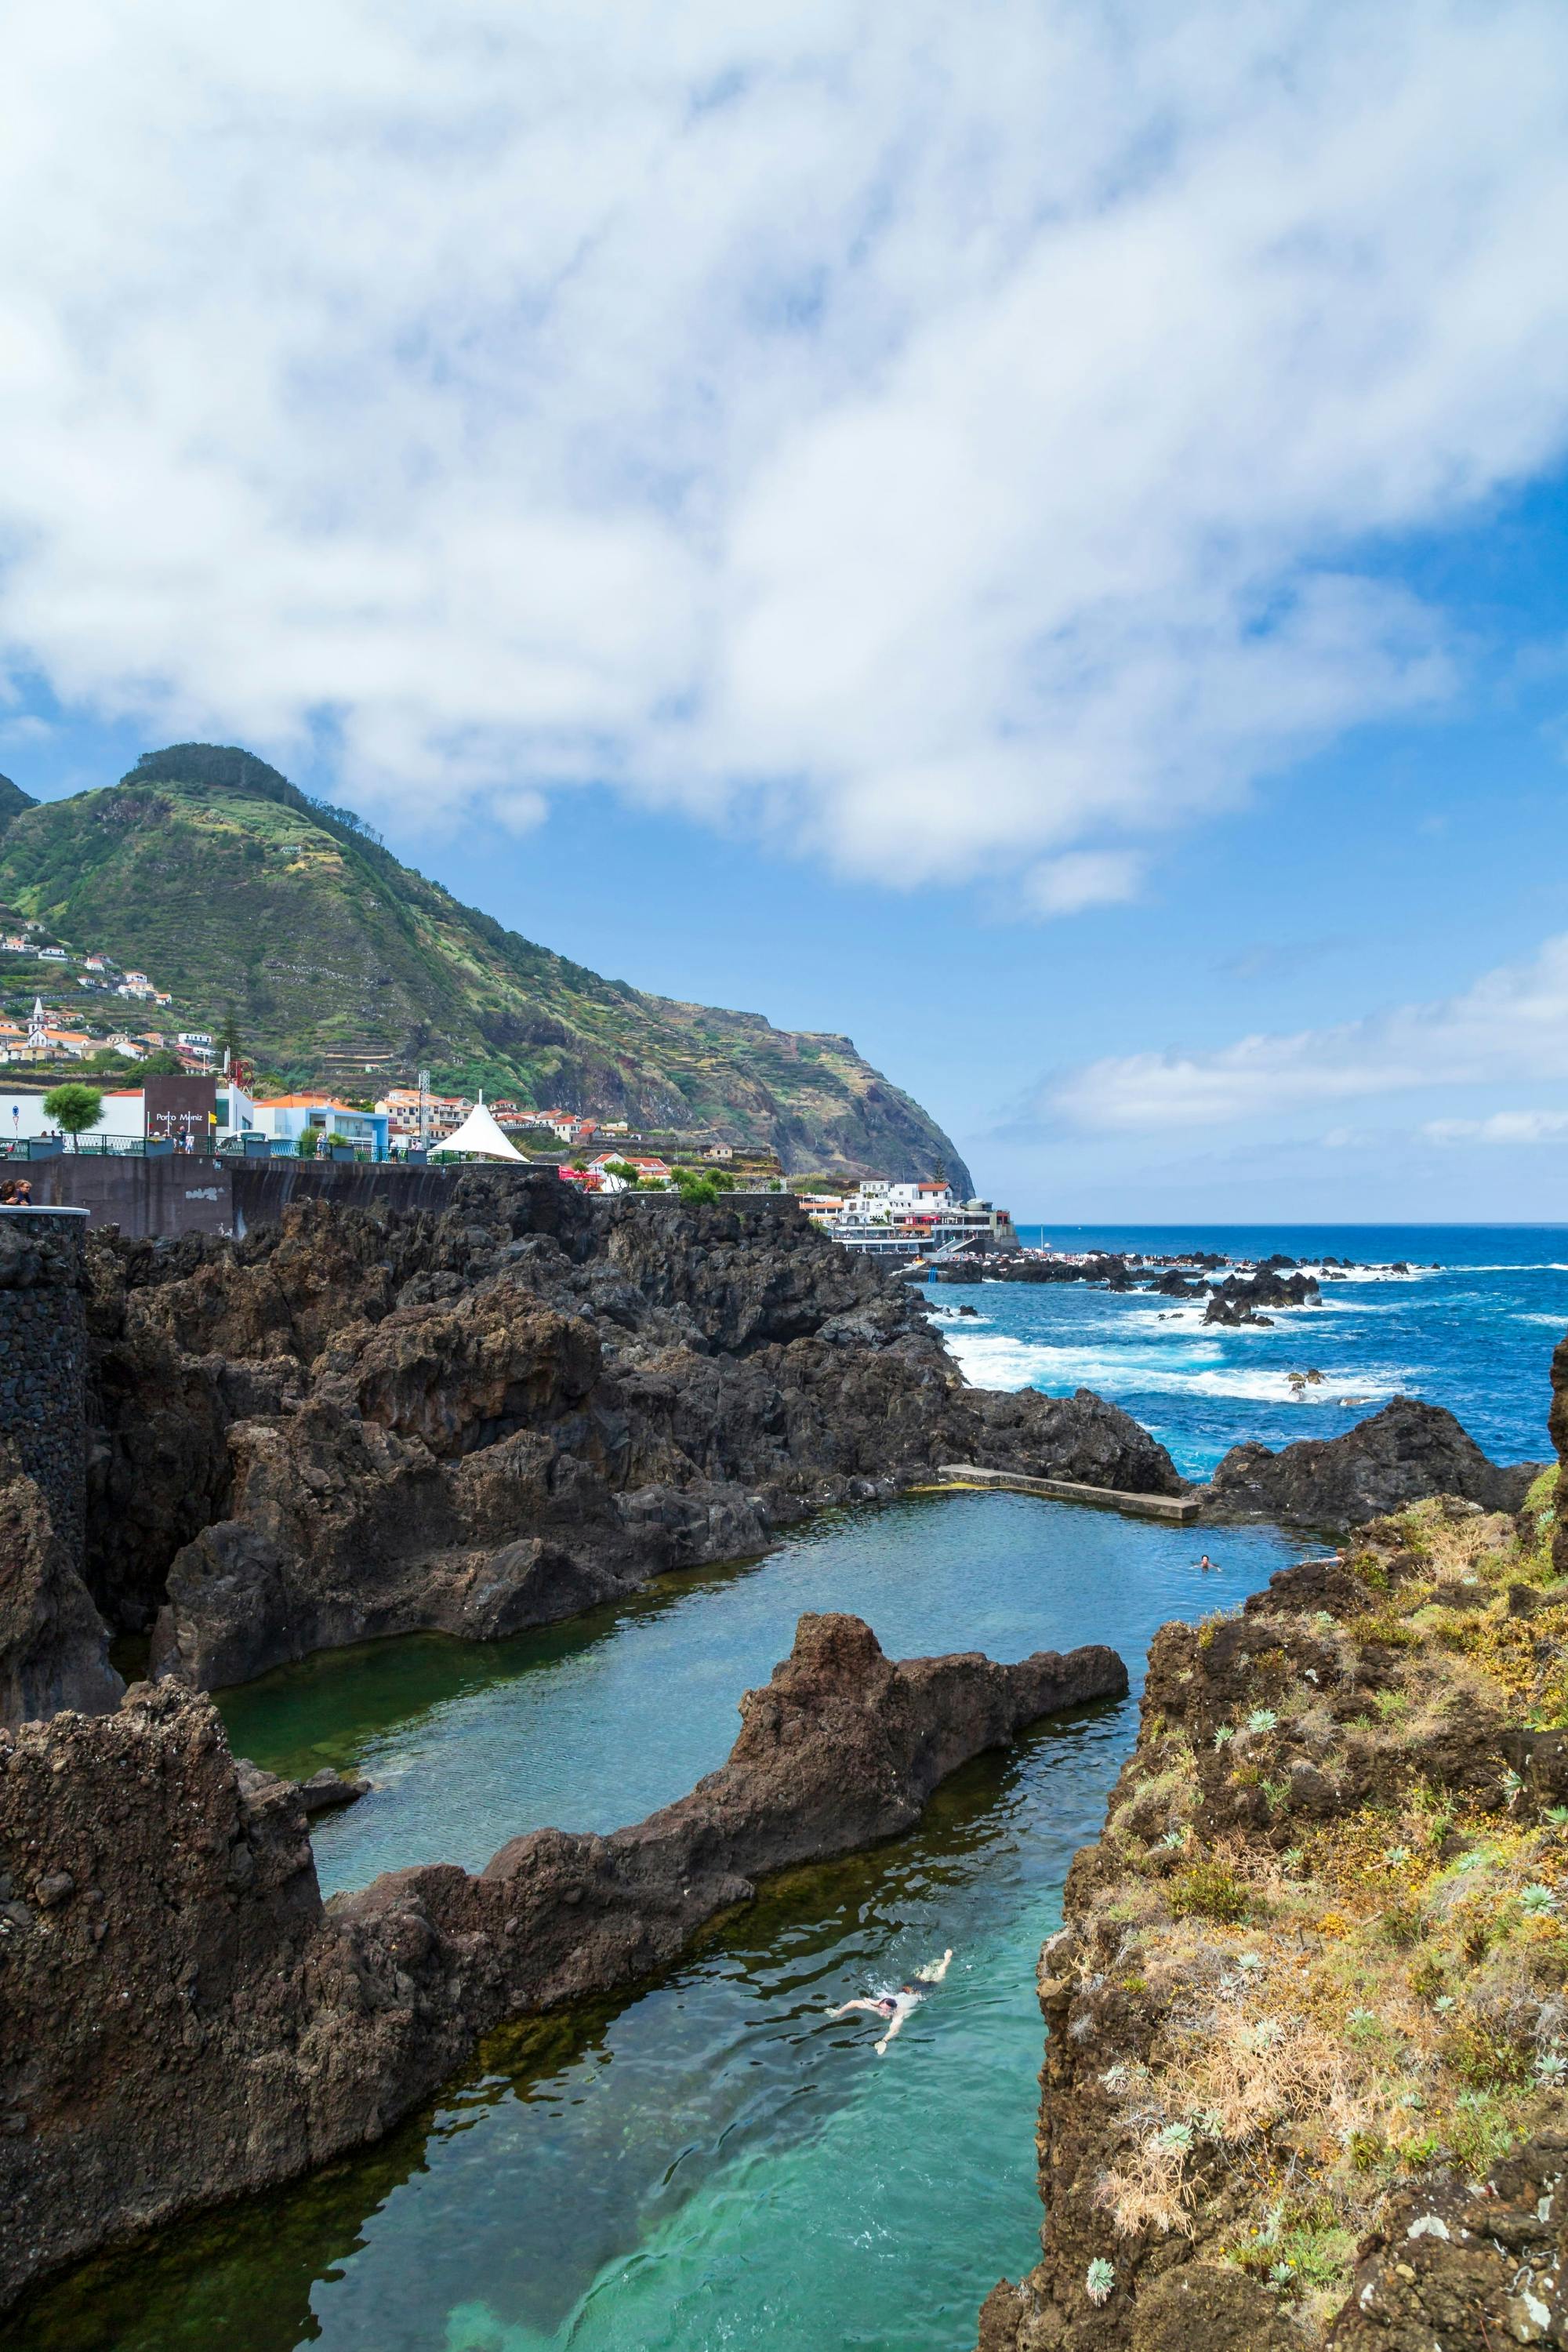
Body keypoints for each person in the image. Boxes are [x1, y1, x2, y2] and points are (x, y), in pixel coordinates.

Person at [832, 1950, 953, 2054]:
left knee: (938, 1978)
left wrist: (884, 2041)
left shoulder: (899, 2014)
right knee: (921, 1977)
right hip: (907, 1988)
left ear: (893, 2010)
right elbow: (854, 2002)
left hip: (919, 1991)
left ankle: (946, 1960)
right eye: (882, 2009)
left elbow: (894, 2029)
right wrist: (839, 2012)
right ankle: (931, 1967)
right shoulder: (878, 2006)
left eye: (886, 2011)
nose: (883, 2013)